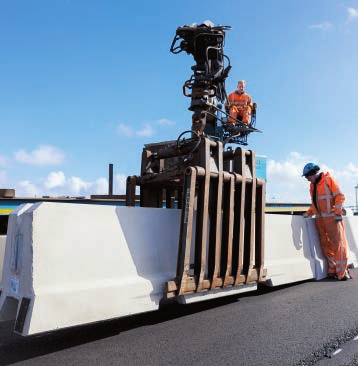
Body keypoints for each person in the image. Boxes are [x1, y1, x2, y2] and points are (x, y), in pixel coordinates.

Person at [302, 162, 351, 281]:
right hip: (321, 222)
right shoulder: (312, 186)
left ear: (313, 173)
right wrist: (308, 214)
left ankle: (342, 273)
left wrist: (338, 212)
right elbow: (315, 205)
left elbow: (340, 196)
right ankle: (333, 270)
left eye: (308, 177)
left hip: (333, 220)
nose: (307, 180)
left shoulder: (328, 180)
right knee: (326, 246)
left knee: (338, 246)